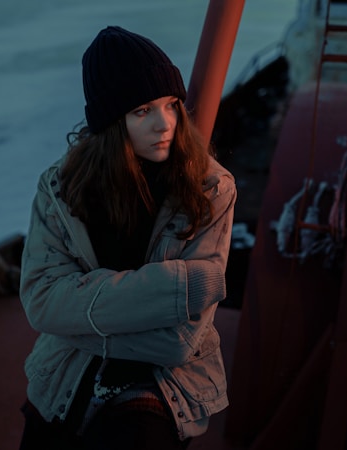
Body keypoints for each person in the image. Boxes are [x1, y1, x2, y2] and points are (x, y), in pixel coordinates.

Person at [18, 25, 236, 450]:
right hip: (69, 369)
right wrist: (176, 287)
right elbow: (42, 302)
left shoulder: (210, 189)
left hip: (165, 382)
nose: (165, 124)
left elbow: (178, 342)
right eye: (143, 111)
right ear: (112, 121)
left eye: (172, 106)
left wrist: (75, 315)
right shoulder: (62, 188)